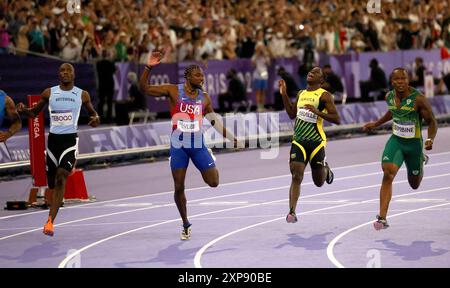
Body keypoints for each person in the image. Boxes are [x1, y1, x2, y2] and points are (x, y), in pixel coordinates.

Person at [140, 51, 237, 240]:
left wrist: (231, 138)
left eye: (202, 75)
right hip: (179, 145)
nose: (202, 78)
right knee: (178, 187)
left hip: (198, 144)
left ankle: (207, 158)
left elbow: (214, 120)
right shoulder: (173, 90)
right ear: (188, 77)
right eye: (198, 75)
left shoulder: (205, 97)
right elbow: (144, 88)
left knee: (214, 182)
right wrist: (149, 67)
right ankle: (185, 223)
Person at [17, 63, 100, 236]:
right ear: (58, 74)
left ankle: (50, 221)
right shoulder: (49, 92)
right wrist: (23, 110)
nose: (65, 73)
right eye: (62, 71)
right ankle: (52, 210)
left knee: (62, 175)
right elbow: (33, 114)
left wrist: (95, 119)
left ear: (74, 74)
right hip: (53, 142)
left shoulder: (82, 94)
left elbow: (94, 114)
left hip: (69, 141)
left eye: (68, 71)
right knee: (53, 183)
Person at [363, 68, 437, 230]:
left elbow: (432, 121)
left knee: (414, 184)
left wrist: (430, 138)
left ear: (408, 80)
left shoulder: (418, 99)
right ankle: (382, 218)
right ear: (392, 82)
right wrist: (376, 124)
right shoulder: (389, 96)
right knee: (388, 173)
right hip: (396, 141)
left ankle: (420, 161)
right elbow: (392, 112)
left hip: (414, 145)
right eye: (396, 79)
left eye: (403, 79)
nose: (400, 82)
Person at [278, 67, 340, 223]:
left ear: (321, 80)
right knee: (296, 175)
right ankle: (292, 212)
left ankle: (326, 170)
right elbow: (292, 114)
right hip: (298, 141)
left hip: (316, 143)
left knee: (318, 182)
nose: (311, 72)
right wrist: (284, 94)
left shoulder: (324, 96)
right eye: (310, 71)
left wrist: (318, 112)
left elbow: (336, 118)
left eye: (316, 72)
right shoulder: (301, 94)